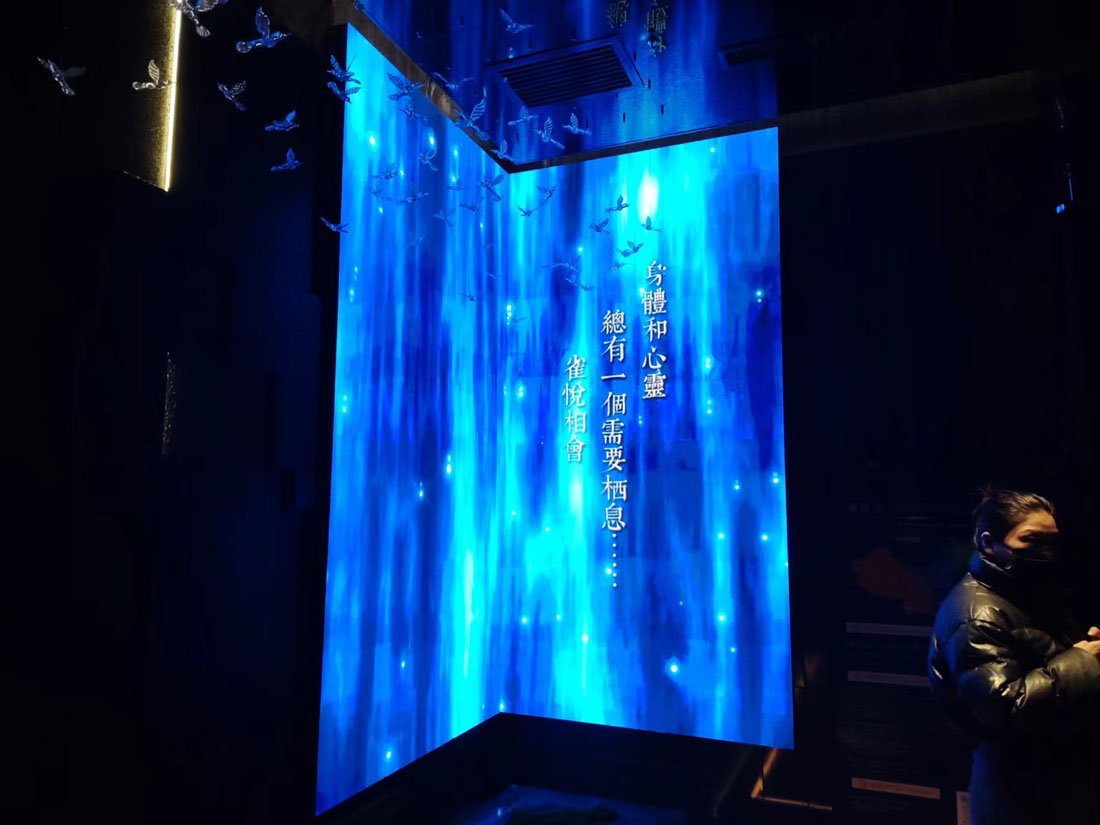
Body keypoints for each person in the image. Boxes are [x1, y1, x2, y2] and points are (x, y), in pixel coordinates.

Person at [927, 486, 1100, 824]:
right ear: (989, 542)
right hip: (1019, 790)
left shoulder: (1026, 594)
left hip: (1053, 778)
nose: (1045, 551)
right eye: (1031, 540)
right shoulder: (977, 614)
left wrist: (1088, 649)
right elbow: (1004, 707)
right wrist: (1081, 661)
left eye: (1051, 541)